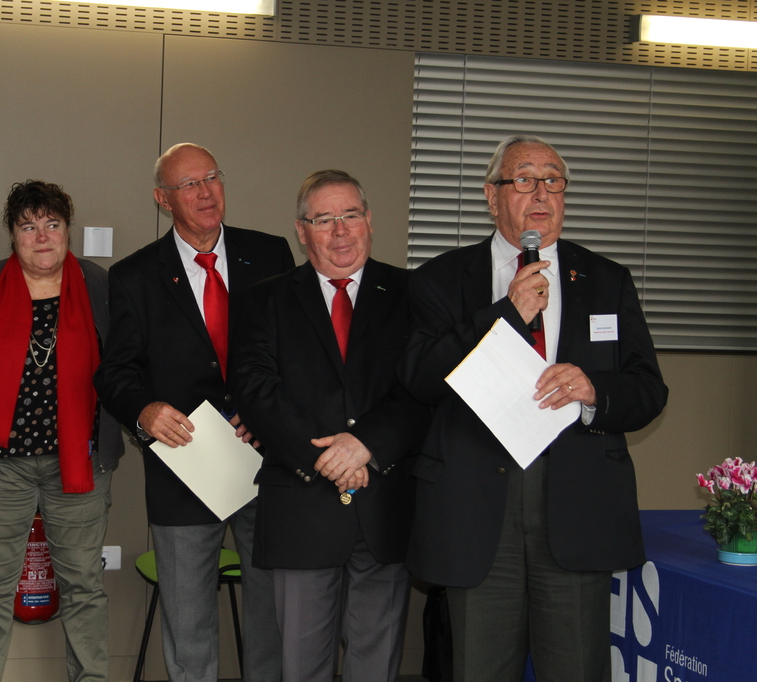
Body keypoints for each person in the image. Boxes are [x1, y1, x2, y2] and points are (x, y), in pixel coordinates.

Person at [401, 135, 668, 682]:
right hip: (479, 509)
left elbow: (648, 389)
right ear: (491, 195)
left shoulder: (606, 279)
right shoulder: (440, 278)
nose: (541, 192)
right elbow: (420, 379)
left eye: (553, 180)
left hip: (576, 506)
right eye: (523, 179)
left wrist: (594, 390)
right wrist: (506, 312)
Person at [94, 143, 293, 682]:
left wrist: (269, 412)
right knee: (188, 624)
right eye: (189, 184)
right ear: (163, 199)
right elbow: (115, 372)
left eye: (212, 178)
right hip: (185, 467)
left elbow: (297, 352)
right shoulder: (135, 275)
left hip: (266, 462)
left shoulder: (270, 254)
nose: (206, 192)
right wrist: (144, 411)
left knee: (274, 616)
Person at [232, 170, 428, 682]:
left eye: (351, 215)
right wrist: (332, 459)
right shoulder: (263, 299)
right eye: (324, 219)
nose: (341, 231)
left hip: (384, 503)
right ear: (302, 231)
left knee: (376, 664)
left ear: (369, 221)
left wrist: (366, 446)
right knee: (301, 666)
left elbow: (424, 389)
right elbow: (255, 391)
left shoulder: (412, 294)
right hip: (302, 507)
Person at [0, 180, 123, 682]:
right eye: (28, 226)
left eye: (52, 224)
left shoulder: (101, 288)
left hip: (80, 464)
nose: (42, 236)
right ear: (12, 235)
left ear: (68, 230)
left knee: (84, 586)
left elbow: (128, 368)